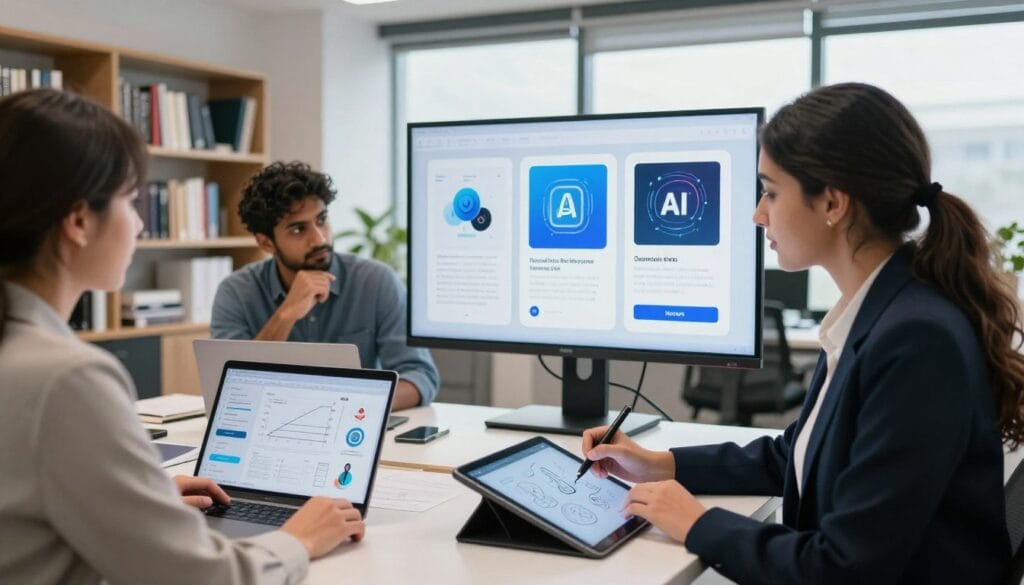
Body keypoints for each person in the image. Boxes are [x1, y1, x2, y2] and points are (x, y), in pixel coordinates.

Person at [582, 83, 1023, 584]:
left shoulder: (916, 339)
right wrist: (657, 464)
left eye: (770, 191)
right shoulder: (879, 313)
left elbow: (844, 569)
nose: (757, 213)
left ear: (833, 202)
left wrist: (697, 522)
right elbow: (797, 455)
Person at [0, 88, 365, 585]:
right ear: (81, 221)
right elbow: (200, 578)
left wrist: (136, 502)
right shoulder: (67, 378)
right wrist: (299, 538)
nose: (141, 222)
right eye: (131, 201)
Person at [210, 161, 438, 411]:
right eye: (298, 229)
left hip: (355, 427)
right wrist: (286, 314)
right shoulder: (235, 293)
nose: (319, 239)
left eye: (322, 220)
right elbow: (232, 390)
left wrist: (348, 406)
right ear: (266, 243)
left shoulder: (376, 282)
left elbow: (420, 377)